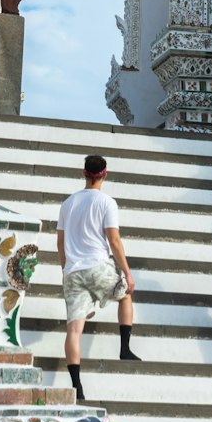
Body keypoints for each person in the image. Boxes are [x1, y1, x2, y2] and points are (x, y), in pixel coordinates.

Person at [57, 153, 139, 402]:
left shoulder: (68, 203)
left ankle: (77, 388)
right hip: (97, 265)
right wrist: (127, 272)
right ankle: (124, 349)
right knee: (125, 295)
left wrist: (65, 270)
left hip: (73, 271)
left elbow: (60, 242)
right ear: (104, 174)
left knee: (74, 329)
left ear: (84, 173)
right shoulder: (106, 202)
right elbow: (113, 240)